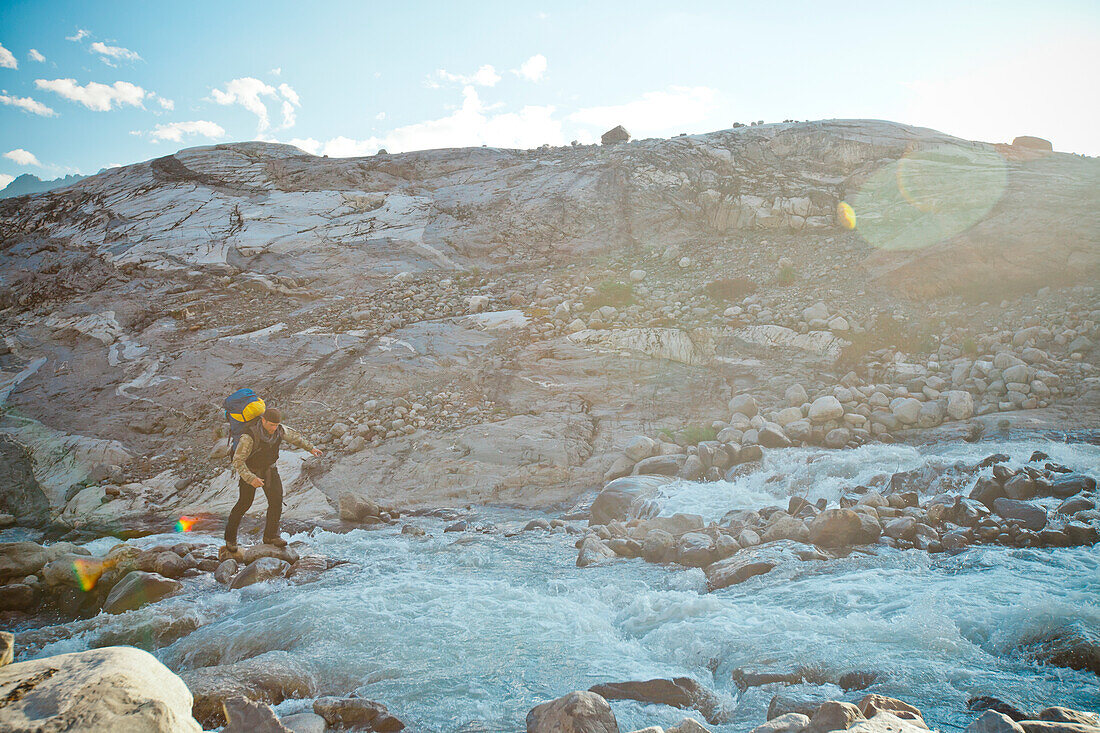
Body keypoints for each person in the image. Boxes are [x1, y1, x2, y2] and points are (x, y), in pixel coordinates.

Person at [224, 407, 322, 557]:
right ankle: (230, 539)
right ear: (263, 420)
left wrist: (311, 448)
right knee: (244, 503)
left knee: (276, 501)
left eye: (276, 425)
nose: (273, 428)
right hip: (251, 471)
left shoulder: (280, 430)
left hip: (270, 470)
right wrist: (250, 479)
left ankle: (270, 536)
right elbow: (238, 461)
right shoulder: (249, 436)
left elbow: (296, 438)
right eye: (271, 425)